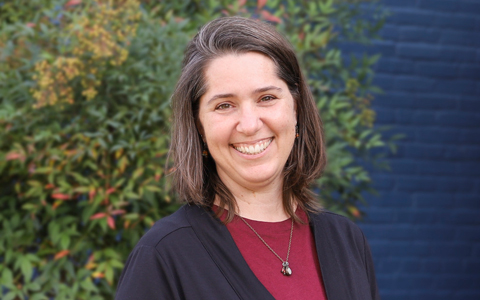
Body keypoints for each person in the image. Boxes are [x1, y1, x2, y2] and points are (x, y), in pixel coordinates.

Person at [115, 16, 380, 300]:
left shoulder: (347, 242)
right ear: (199, 125)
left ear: (296, 109)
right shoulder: (163, 255)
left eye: (266, 98)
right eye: (225, 105)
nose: (250, 124)